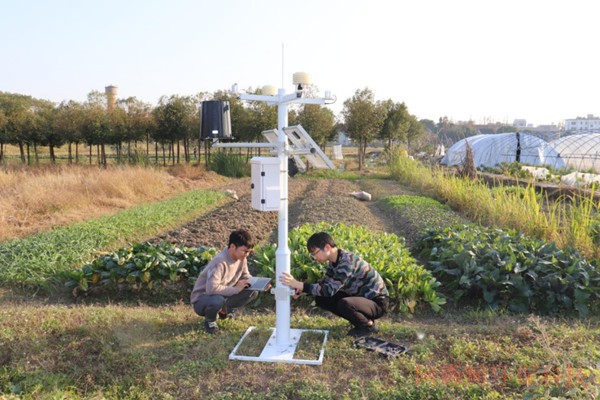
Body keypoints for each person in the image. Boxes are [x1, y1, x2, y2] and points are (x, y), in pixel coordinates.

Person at [280, 231, 389, 337]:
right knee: (321, 298)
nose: (315, 258)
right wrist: (303, 291)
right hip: (361, 299)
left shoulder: (347, 262)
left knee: (345, 304)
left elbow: (329, 290)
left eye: (315, 253)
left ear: (327, 247)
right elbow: (324, 284)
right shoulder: (334, 262)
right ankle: (361, 321)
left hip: (377, 302)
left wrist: (298, 284)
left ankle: (368, 326)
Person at [191, 229, 258, 334]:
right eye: (244, 251)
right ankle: (210, 321)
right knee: (217, 300)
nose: (247, 255)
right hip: (203, 299)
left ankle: (224, 310)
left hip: (223, 294)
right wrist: (236, 289)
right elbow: (211, 289)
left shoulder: (241, 258)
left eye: (249, 252)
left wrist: (260, 283)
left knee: (253, 291)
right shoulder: (220, 262)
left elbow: (245, 276)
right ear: (232, 247)